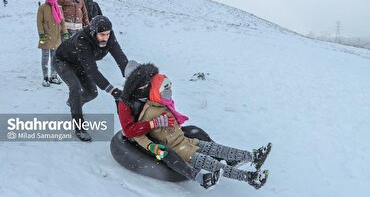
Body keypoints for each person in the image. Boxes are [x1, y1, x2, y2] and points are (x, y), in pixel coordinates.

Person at [131, 71, 271, 189]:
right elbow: (138, 135)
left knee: (216, 148)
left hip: (187, 141)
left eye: (169, 88)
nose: (169, 92)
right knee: (212, 164)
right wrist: (153, 147)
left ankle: (253, 157)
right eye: (165, 89)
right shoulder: (149, 113)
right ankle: (250, 178)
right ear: (156, 91)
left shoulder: (164, 104)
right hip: (179, 150)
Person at [117, 61, 222, 189]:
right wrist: (151, 124)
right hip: (141, 137)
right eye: (141, 83)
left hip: (161, 129)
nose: (145, 85)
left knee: (195, 131)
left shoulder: (149, 91)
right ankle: (201, 178)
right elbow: (129, 131)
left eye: (146, 82)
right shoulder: (125, 103)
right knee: (164, 152)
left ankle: (223, 159)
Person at [54, 15, 128, 141]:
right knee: (75, 88)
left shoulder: (109, 36)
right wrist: (112, 91)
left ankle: (74, 103)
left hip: (80, 63)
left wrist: (131, 77)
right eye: (102, 35)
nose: (105, 37)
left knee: (92, 93)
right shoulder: (83, 39)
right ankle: (79, 127)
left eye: (107, 34)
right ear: (94, 33)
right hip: (63, 61)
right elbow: (92, 71)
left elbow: (120, 57)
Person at [37, 0, 69, 87]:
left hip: (57, 38)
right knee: (45, 58)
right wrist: (41, 35)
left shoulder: (58, 8)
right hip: (45, 37)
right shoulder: (42, 8)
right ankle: (45, 77)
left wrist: (65, 33)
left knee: (55, 59)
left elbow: (62, 22)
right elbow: (39, 22)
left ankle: (54, 76)